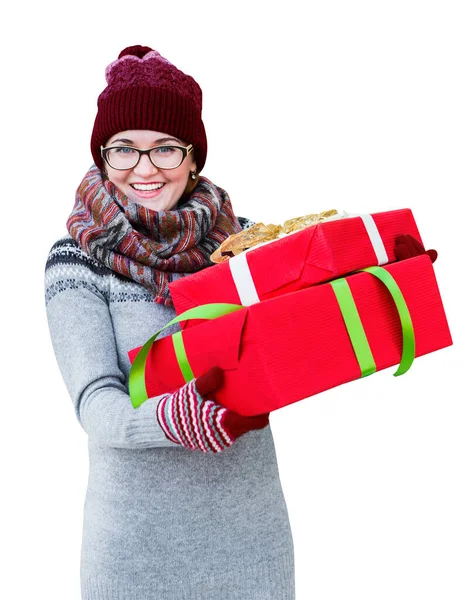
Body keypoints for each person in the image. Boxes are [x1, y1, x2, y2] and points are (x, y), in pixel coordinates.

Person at [45, 45, 295, 599]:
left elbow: (299, 341)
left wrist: (376, 280)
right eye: (124, 150)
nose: (145, 169)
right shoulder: (77, 260)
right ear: (102, 155)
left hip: (251, 541)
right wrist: (175, 419)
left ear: (193, 157)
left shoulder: (244, 244)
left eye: (164, 149)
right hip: (134, 550)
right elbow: (96, 404)